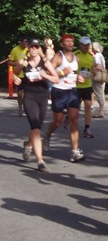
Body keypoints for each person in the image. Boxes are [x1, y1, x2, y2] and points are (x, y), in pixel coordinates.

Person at [13, 39, 59, 172]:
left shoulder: (45, 63)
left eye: (36, 46)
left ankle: (28, 144)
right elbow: (15, 74)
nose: (33, 49)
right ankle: (40, 161)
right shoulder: (24, 62)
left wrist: (45, 76)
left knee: (36, 127)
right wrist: (16, 79)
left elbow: (56, 79)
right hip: (29, 97)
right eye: (31, 47)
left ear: (39, 48)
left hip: (43, 97)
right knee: (36, 129)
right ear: (28, 48)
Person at [43, 34, 85, 162]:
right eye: (67, 42)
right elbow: (47, 71)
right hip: (59, 91)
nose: (70, 44)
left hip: (72, 91)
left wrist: (79, 78)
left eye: (72, 42)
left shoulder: (76, 58)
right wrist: (62, 73)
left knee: (74, 120)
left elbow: (75, 74)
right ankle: (47, 135)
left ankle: (75, 151)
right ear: (62, 44)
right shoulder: (58, 56)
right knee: (58, 121)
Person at [74, 36, 96, 138]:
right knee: (75, 109)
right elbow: (70, 70)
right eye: (85, 45)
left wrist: (94, 73)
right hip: (76, 86)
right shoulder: (75, 55)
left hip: (87, 85)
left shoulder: (91, 57)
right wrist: (76, 76)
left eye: (88, 45)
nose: (87, 47)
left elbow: (93, 71)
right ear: (80, 45)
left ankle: (87, 129)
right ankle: (69, 118)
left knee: (88, 105)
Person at [8, 37, 29, 117]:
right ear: (20, 42)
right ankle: (20, 108)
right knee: (20, 94)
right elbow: (9, 62)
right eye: (23, 42)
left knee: (27, 93)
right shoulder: (15, 50)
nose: (25, 44)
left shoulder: (29, 50)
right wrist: (18, 64)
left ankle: (27, 108)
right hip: (18, 75)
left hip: (28, 74)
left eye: (26, 42)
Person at [91, 42, 106, 118]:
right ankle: (101, 111)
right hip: (102, 77)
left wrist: (93, 70)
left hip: (97, 77)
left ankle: (101, 111)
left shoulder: (97, 55)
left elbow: (99, 66)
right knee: (101, 93)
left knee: (99, 94)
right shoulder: (101, 55)